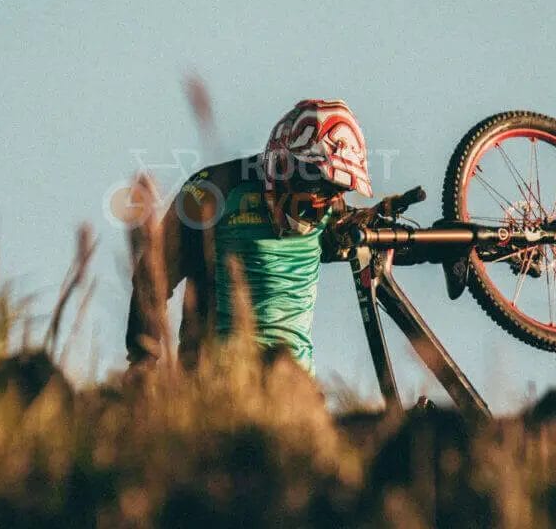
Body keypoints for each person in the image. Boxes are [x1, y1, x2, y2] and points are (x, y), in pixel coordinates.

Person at [124, 99, 373, 376]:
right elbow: (152, 275)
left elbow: (376, 243)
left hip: (293, 387)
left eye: (335, 189)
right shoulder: (214, 188)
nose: (320, 200)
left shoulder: (333, 211)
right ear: (283, 162)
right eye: (314, 181)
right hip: (212, 382)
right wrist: (143, 363)